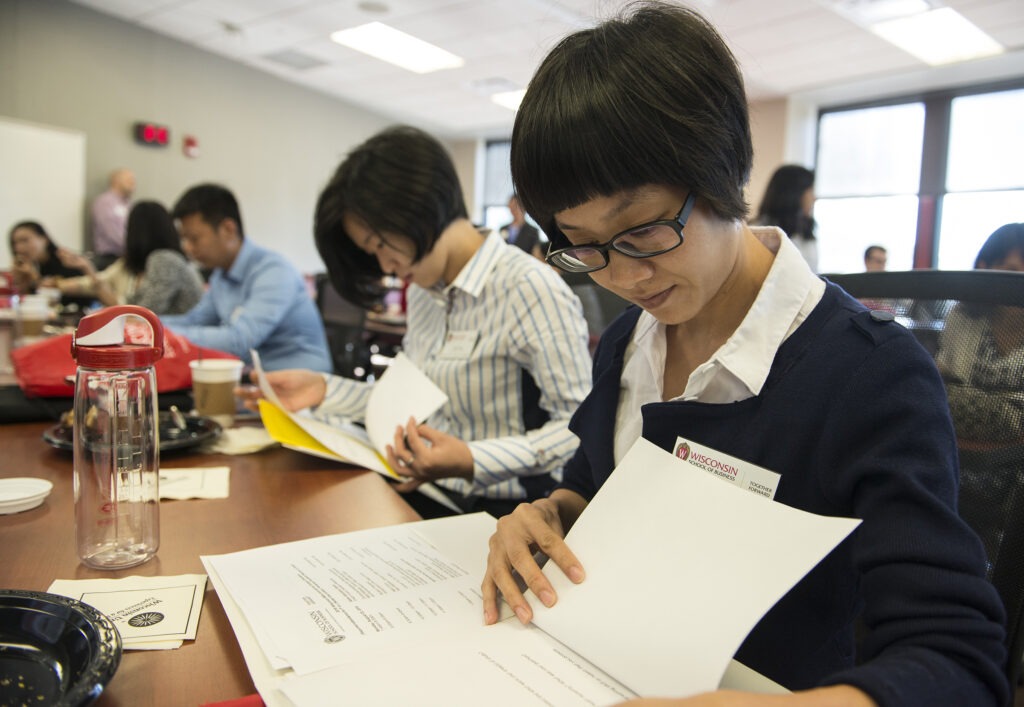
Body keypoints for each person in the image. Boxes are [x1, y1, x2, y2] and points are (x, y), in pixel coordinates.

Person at [481, 4, 1007, 706]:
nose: (624, 277)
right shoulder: (626, 344)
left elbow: (958, 659)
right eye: (584, 245)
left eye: (641, 230)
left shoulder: (870, 375)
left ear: (723, 170)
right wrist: (549, 513)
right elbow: (595, 483)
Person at [245, 126, 592, 519]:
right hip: (431, 492)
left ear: (420, 208)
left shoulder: (529, 287)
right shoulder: (427, 293)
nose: (385, 267)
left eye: (381, 246)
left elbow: (579, 429)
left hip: (510, 511)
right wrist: (323, 389)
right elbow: (410, 399)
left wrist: (471, 459)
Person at [160, 184, 331, 372]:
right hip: (255, 378)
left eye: (194, 238)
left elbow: (239, 340)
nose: (187, 248)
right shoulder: (221, 275)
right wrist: (148, 324)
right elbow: (195, 320)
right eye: (184, 239)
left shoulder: (274, 271)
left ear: (228, 229)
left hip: (299, 382)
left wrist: (160, 334)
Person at [936, 223, 1024, 443]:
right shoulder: (963, 317)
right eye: (1012, 272)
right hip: (960, 459)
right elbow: (939, 389)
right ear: (985, 269)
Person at [47, 201, 204, 315]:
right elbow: (128, 307)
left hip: (176, 344)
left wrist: (87, 269)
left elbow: (142, 315)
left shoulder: (165, 259)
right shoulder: (143, 262)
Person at [8, 221, 91, 307]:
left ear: (44, 239)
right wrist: (22, 282)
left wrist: (35, 279)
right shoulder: (32, 267)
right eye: (15, 243)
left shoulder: (67, 261)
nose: (19, 248)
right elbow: (26, 304)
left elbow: (64, 301)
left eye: (24, 240)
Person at [753, 164, 818, 272]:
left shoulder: (805, 232)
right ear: (795, 193)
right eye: (810, 190)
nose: (814, 198)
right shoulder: (760, 233)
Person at [91, 168, 135, 269]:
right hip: (109, 258)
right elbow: (111, 231)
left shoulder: (128, 204)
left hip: (126, 257)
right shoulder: (105, 202)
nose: (133, 183)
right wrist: (132, 247)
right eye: (129, 180)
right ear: (116, 181)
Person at [499, 194, 542, 258]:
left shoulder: (533, 231)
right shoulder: (503, 228)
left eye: (515, 206)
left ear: (523, 208)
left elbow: (536, 254)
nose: (513, 210)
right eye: (511, 207)